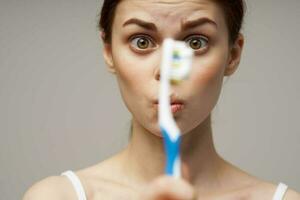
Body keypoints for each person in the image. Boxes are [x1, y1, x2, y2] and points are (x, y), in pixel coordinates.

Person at [23, 0, 300, 199]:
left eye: (195, 42)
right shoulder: (56, 196)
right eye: (141, 41)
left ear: (233, 55)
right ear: (109, 52)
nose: (166, 70)